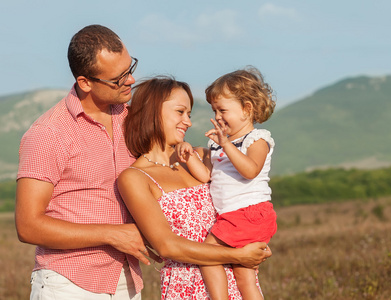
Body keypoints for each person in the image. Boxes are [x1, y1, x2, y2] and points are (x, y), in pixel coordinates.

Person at [15, 25, 158, 300]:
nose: (131, 80)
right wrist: (113, 234)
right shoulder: (48, 133)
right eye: (119, 78)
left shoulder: (132, 119)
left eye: (130, 68)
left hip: (128, 281)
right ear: (85, 82)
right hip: (69, 284)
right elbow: (27, 225)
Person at [117, 76, 272, 299]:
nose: (188, 122)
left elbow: (248, 197)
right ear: (151, 111)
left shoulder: (203, 156)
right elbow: (167, 246)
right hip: (187, 287)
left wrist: (259, 243)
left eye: (189, 114)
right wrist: (239, 256)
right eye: (180, 112)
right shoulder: (135, 178)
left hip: (235, 283)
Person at [175, 66, 277, 300]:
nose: (217, 117)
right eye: (214, 110)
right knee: (244, 277)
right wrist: (190, 155)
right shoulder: (220, 145)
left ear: (246, 109)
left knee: (207, 254)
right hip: (234, 216)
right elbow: (207, 177)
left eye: (222, 110)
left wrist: (227, 145)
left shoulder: (257, 139)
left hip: (248, 213)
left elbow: (250, 170)